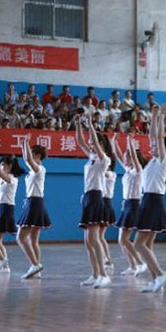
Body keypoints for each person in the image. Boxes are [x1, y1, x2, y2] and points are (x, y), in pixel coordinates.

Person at [134, 104, 166, 293]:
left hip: (153, 201)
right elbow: (153, 136)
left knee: (138, 244)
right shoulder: (153, 160)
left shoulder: (163, 161)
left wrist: (160, 116)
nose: (152, 147)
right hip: (149, 201)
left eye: (155, 147)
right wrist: (153, 115)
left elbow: (159, 138)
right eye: (151, 146)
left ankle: (160, 273)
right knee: (147, 244)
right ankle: (155, 281)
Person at [75, 115, 113, 289]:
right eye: (90, 143)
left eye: (94, 143)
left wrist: (90, 124)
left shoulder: (104, 160)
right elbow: (80, 141)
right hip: (88, 197)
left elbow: (96, 144)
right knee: (87, 241)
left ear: (101, 144)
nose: (90, 145)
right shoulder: (91, 158)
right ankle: (95, 274)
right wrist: (78, 124)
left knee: (94, 238)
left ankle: (104, 275)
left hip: (97, 197)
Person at [111, 134, 147, 277]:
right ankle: (133, 266)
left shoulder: (138, 170)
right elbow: (118, 155)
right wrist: (114, 142)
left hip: (133, 205)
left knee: (123, 239)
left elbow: (131, 156)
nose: (124, 158)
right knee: (121, 240)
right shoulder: (127, 170)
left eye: (127, 156)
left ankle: (140, 262)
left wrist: (129, 143)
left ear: (133, 158)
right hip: (126, 204)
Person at [16, 135, 50, 279]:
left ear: (37, 156)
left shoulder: (39, 169)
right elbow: (27, 159)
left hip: (34, 203)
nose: (28, 155)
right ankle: (37, 269)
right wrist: (24, 145)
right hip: (35, 202)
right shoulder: (33, 170)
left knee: (21, 237)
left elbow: (27, 159)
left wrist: (25, 144)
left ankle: (35, 265)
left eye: (31, 152)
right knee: (33, 240)